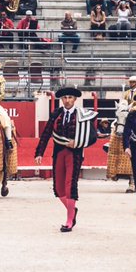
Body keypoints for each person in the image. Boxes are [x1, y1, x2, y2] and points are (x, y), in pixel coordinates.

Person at [34, 87, 100, 232]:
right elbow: (46, 133)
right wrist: (39, 152)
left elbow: (93, 137)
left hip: (74, 154)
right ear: (61, 99)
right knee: (58, 188)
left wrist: (77, 143)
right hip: (59, 153)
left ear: (75, 99)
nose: (67, 100)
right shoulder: (56, 114)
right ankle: (72, 210)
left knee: (70, 185)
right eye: (64, 98)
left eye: (70, 97)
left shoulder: (82, 114)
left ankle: (69, 220)